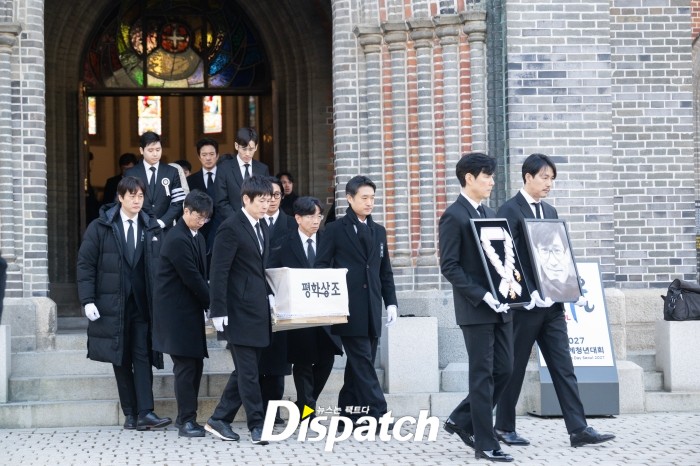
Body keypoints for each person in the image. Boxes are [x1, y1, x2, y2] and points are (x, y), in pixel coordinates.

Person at [494, 153, 615, 448]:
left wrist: (570, 287)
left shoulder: (549, 210)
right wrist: (527, 292)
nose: (549, 183)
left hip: (553, 306)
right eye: (544, 177)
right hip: (526, 307)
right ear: (528, 177)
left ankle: (579, 429)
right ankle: (504, 427)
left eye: (552, 179)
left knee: (563, 366)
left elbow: (557, 255)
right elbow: (508, 260)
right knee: (514, 367)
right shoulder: (509, 210)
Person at [76, 176, 171, 432]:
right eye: (132, 196)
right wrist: (87, 300)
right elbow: (86, 264)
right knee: (120, 357)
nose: (137, 201)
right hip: (112, 304)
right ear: (120, 197)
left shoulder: (151, 227)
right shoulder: (101, 226)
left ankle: (146, 412)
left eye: (140, 196)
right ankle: (130, 413)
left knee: (142, 355)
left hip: (142, 304)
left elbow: (162, 268)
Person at [439, 153, 514, 462]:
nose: (492, 182)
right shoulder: (453, 216)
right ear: (469, 178)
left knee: (505, 369)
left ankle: (460, 419)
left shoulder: (490, 213)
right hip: (476, 309)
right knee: (482, 375)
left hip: (502, 306)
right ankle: (485, 443)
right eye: (487, 176)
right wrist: (482, 295)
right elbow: (450, 266)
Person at [314, 175, 398, 427]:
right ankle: (379, 413)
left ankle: (348, 414)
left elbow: (385, 271)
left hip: (372, 308)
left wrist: (391, 302)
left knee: (358, 364)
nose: (369, 202)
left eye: (372, 198)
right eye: (364, 198)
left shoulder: (379, 231)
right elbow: (320, 266)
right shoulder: (334, 230)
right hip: (347, 309)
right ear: (349, 199)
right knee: (363, 362)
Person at [206, 175, 274, 445]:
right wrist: (218, 311)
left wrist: (270, 296)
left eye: (269, 200)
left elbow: (259, 269)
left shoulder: (263, 226)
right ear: (246, 199)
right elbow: (218, 271)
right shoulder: (231, 227)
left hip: (258, 311)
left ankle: (219, 419)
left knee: (246, 370)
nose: (266, 205)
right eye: (261, 201)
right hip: (237, 312)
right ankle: (257, 425)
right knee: (249, 372)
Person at [269, 196, 343, 416]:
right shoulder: (283, 243)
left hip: (326, 313)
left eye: (319, 216)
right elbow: (272, 274)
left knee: (327, 360)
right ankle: (308, 411)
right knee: (302, 363)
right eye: (310, 216)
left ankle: (304, 405)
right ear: (298, 218)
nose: (316, 221)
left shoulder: (328, 240)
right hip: (298, 315)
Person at [152, 190, 212, 438]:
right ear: (186, 211)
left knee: (195, 365)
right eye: (199, 216)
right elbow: (192, 277)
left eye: (206, 218)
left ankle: (186, 418)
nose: (202, 221)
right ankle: (187, 421)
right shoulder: (177, 238)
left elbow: (201, 276)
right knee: (186, 368)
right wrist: (214, 303)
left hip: (190, 313)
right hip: (176, 315)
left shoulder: (197, 237)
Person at [257, 177, 294, 424]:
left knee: (279, 358)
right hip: (257, 297)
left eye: (277, 195)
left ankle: (275, 410)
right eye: (268, 195)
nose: (272, 200)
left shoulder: (291, 223)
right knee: (259, 356)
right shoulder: (254, 223)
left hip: (282, 298)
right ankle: (258, 408)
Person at [125, 131, 186, 231]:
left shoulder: (172, 172)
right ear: (141, 150)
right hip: (139, 227)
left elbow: (178, 202)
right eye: (150, 150)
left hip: (165, 229)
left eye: (158, 149)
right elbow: (125, 201)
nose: (155, 154)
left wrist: (163, 222)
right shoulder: (131, 173)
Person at [215, 127, 270, 221]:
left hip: (257, 221)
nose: (247, 153)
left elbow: (266, 197)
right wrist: (238, 220)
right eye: (244, 149)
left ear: (256, 147)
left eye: (251, 149)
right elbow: (221, 201)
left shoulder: (262, 169)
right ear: (236, 146)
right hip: (232, 222)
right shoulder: (224, 169)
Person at [187, 138, 221, 259]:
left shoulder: (226, 177)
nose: (208, 158)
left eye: (211, 154)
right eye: (204, 154)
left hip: (222, 230)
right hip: (199, 232)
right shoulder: (190, 181)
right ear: (199, 157)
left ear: (217, 155)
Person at [528, 223, 579, 301]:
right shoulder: (536, 292)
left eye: (557, 250)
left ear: (567, 254)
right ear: (538, 255)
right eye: (544, 250)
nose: (553, 262)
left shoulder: (579, 288)